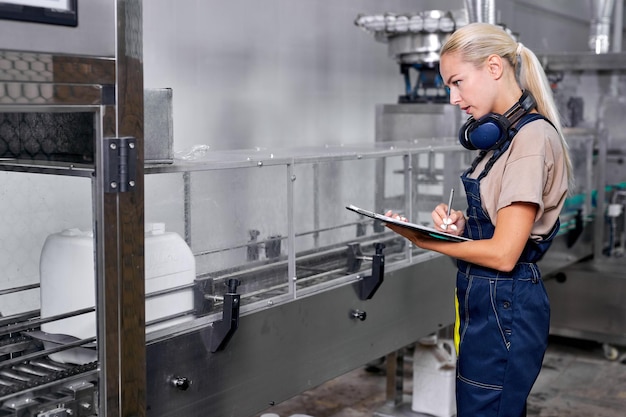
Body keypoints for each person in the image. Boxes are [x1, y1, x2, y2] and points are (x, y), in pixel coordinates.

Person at [385, 23, 572, 417]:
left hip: (505, 302)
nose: (453, 98)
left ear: (493, 67)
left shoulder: (529, 139)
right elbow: (499, 227)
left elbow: (505, 254)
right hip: (484, 300)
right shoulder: (501, 138)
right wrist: (462, 225)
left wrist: (425, 240)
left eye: (457, 82)